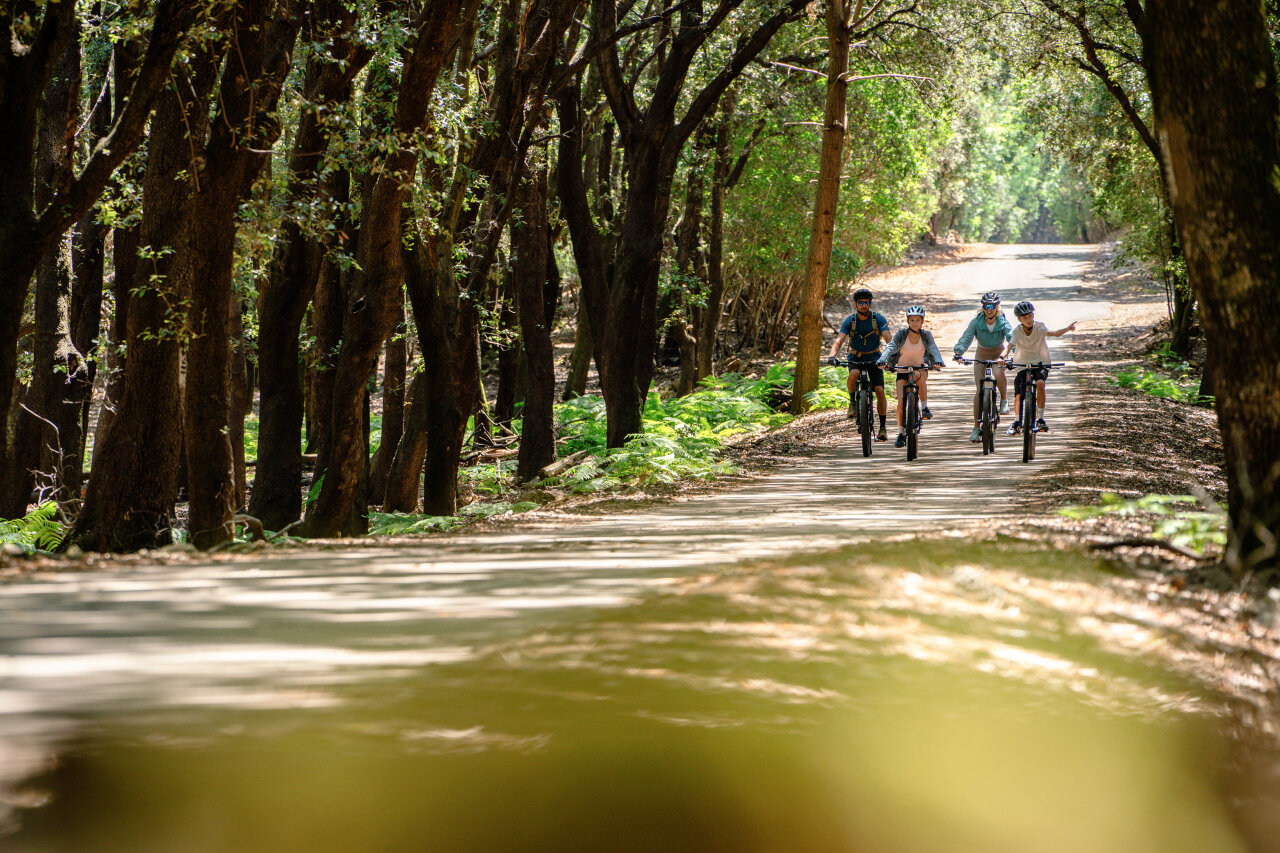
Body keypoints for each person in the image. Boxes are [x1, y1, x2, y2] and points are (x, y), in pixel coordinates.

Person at [826, 287, 892, 441]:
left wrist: (892, 355)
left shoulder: (878, 319)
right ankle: (853, 402)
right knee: (853, 374)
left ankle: (882, 427)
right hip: (856, 358)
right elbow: (839, 339)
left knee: (880, 390)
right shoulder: (850, 321)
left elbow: (888, 338)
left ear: (870, 303)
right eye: (861, 302)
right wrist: (832, 356)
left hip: (875, 358)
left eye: (867, 302)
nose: (864, 305)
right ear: (855, 304)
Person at [1003, 301, 1076, 435]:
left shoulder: (1039, 327)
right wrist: (1001, 358)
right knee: (1019, 394)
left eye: (1030, 316)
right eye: (1025, 318)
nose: (1028, 319)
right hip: (1022, 364)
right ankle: (1017, 421)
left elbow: (1054, 333)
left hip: (1040, 363)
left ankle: (1040, 419)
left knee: (1040, 384)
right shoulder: (1017, 332)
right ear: (1019, 319)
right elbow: (1008, 347)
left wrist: (1067, 328)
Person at [877, 305, 945, 448]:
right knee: (901, 404)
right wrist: (883, 359)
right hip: (902, 370)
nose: (915, 323)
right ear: (908, 321)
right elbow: (890, 347)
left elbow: (933, 348)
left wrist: (938, 361)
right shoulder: (901, 334)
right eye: (912, 320)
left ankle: (925, 407)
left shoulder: (926, 335)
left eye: (918, 320)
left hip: (920, 368)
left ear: (922, 321)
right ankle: (901, 433)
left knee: (917, 374)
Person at [952, 290, 1014, 443]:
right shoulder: (977, 322)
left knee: (998, 372)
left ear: (997, 307)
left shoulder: (1003, 321)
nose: (989, 309)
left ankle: (1004, 400)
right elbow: (966, 337)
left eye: (992, 306)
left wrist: (1016, 354)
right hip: (981, 353)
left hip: (998, 353)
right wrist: (959, 352)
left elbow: (1012, 338)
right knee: (979, 390)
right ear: (983, 307)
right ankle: (975, 427)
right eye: (986, 306)